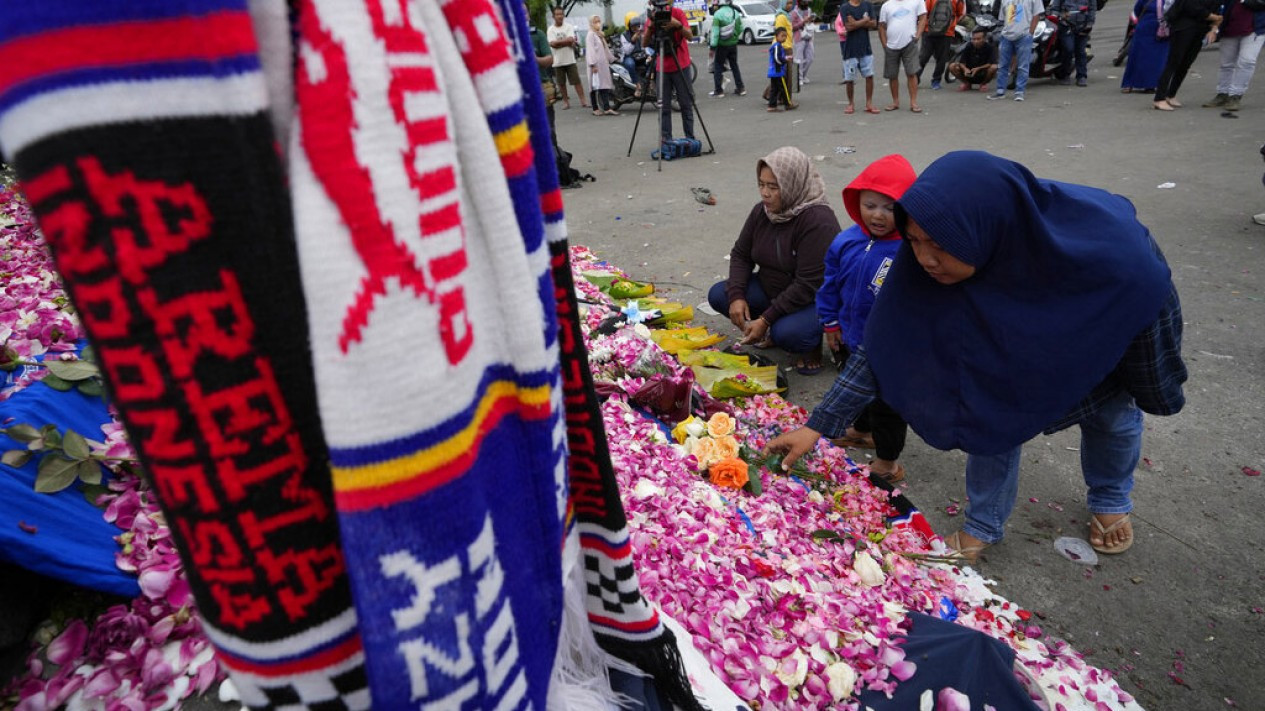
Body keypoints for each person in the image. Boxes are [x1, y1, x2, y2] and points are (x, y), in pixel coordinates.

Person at [766, 151, 1187, 563]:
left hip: (1089, 335)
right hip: (1011, 344)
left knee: (1111, 415)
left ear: (983, 230)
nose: (925, 260)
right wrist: (817, 426)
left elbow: (1149, 312)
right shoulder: (924, 264)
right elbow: (883, 345)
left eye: (939, 245)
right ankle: (984, 524)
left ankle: (1110, 496)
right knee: (988, 411)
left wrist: (1155, 389)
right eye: (913, 241)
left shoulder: (1116, 259)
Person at [816, 155, 918, 483]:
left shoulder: (910, 250)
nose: (877, 214)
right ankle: (861, 429)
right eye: (870, 204)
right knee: (857, 386)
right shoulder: (846, 241)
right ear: (856, 200)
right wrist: (830, 324)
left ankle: (888, 462)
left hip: (892, 347)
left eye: (890, 207)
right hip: (850, 335)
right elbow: (830, 284)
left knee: (888, 405)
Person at [707, 147, 840, 375]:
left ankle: (810, 343)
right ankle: (774, 327)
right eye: (761, 184)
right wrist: (737, 295)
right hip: (773, 287)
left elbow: (808, 285)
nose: (764, 193)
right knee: (721, 295)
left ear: (792, 184)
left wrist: (766, 319)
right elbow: (741, 254)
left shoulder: (818, 220)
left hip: (814, 300)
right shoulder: (763, 212)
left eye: (773, 186)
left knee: (788, 333)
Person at [643, 0, 697, 143]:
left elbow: (690, 36)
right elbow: (644, 43)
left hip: (681, 65)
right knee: (663, 107)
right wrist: (651, 27)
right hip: (663, 67)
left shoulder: (678, 13)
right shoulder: (652, 17)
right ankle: (666, 139)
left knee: (686, 104)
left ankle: (690, 139)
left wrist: (677, 24)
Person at [1154, 0, 1221, 109]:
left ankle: (1171, 95)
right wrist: (1212, 16)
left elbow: (1219, 9)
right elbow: (1190, 5)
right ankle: (1159, 98)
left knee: (1186, 64)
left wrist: (1214, 27)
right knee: (1173, 63)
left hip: (1201, 28)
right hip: (1184, 27)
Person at [1201, 0, 1264, 111]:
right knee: (1226, 64)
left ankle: (1235, 95)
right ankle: (1223, 93)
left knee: (1247, 61)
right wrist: (1214, 28)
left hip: (1255, 29)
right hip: (1229, 28)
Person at [988, 0, 1042, 101]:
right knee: (1003, 65)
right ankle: (1000, 91)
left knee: (1022, 66)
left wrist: (1030, 33)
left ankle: (1019, 92)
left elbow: (1036, 15)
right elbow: (1005, 18)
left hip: (1024, 36)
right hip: (1006, 36)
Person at [879, 0, 928, 111]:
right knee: (892, 75)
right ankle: (895, 102)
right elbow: (881, 26)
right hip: (891, 45)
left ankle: (913, 102)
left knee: (911, 73)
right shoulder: (886, 5)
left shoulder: (917, 1)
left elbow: (923, 17)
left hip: (909, 43)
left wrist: (918, 34)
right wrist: (884, 45)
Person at [839, 0, 880, 113]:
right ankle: (850, 104)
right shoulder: (844, 7)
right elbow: (848, 27)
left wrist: (856, 23)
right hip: (850, 49)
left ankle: (869, 103)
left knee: (869, 76)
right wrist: (865, 20)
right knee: (849, 79)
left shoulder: (868, 5)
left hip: (865, 48)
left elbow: (874, 24)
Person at [1120, 0, 1168, 93]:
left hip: (1163, 31)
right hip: (1145, 31)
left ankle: (1151, 85)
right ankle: (1129, 83)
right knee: (1137, 57)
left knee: (1157, 60)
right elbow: (1136, 11)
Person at [918, 0, 966, 90]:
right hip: (946, 33)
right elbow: (961, 14)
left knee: (924, 57)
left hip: (929, 30)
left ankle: (916, 78)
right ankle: (935, 81)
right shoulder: (957, 1)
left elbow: (924, 13)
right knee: (941, 59)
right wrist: (951, 25)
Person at [548, 6, 589, 110]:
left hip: (570, 60)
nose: (559, 16)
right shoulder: (551, 30)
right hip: (557, 61)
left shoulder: (569, 27)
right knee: (561, 83)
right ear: (553, 16)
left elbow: (571, 40)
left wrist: (559, 43)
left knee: (576, 81)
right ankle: (566, 102)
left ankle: (583, 100)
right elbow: (552, 44)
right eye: (557, 14)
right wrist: (566, 42)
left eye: (561, 14)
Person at [1051, 0, 1096, 86]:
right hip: (1066, 26)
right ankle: (1065, 74)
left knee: (1081, 51)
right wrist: (1061, 16)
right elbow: (1055, 9)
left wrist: (1089, 25)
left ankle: (1081, 76)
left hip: (1082, 26)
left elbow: (1092, 10)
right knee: (1068, 49)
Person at [710, 0, 747, 97]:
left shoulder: (718, 14)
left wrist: (712, 46)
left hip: (721, 45)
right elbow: (740, 28)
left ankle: (719, 91)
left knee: (718, 66)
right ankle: (741, 88)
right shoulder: (735, 12)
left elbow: (715, 32)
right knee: (734, 65)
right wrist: (734, 37)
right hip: (733, 44)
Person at [586, 16, 620, 115]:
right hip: (595, 65)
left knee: (603, 86)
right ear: (591, 23)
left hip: (603, 64)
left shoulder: (599, 35)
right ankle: (595, 109)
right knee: (594, 87)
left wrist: (612, 59)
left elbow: (605, 49)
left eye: (599, 21)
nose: (598, 23)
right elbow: (590, 50)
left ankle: (606, 107)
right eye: (595, 21)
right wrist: (593, 65)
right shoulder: (590, 35)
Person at [950, 27, 999, 91]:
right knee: (952, 66)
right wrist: (965, 69)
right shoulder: (969, 46)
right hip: (969, 73)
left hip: (982, 73)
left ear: (984, 39)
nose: (976, 41)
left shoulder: (990, 48)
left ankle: (983, 84)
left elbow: (991, 63)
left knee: (994, 67)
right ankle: (966, 84)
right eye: (974, 39)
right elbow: (962, 62)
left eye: (978, 39)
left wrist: (978, 68)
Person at [768, 26, 797, 109]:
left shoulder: (778, 46)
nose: (784, 38)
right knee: (784, 88)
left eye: (785, 36)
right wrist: (785, 60)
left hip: (774, 71)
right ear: (776, 36)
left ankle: (772, 106)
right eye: (782, 36)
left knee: (775, 89)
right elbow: (777, 58)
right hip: (777, 71)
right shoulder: (777, 46)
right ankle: (788, 104)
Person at [792, 0, 817, 84]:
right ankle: (798, 78)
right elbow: (792, 27)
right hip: (799, 38)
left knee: (810, 58)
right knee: (799, 59)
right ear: (799, 2)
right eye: (804, 2)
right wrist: (803, 22)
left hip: (808, 37)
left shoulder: (808, 10)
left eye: (807, 2)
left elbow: (809, 22)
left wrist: (811, 19)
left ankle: (803, 75)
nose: (806, 3)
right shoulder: (794, 13)